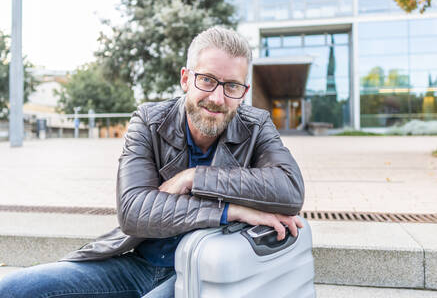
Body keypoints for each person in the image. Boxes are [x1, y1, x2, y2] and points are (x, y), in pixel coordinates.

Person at [0, 26, 305, 298]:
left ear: (244, 92)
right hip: (137, 262)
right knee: (14, 288)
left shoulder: (257, 125)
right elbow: (134, 211)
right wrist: (230, 210)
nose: (217, 97)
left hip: (203, 266)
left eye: (232, 86)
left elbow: (290, 190)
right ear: (186, 79)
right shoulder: (148, 120)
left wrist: (195, 177)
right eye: (207, 80)